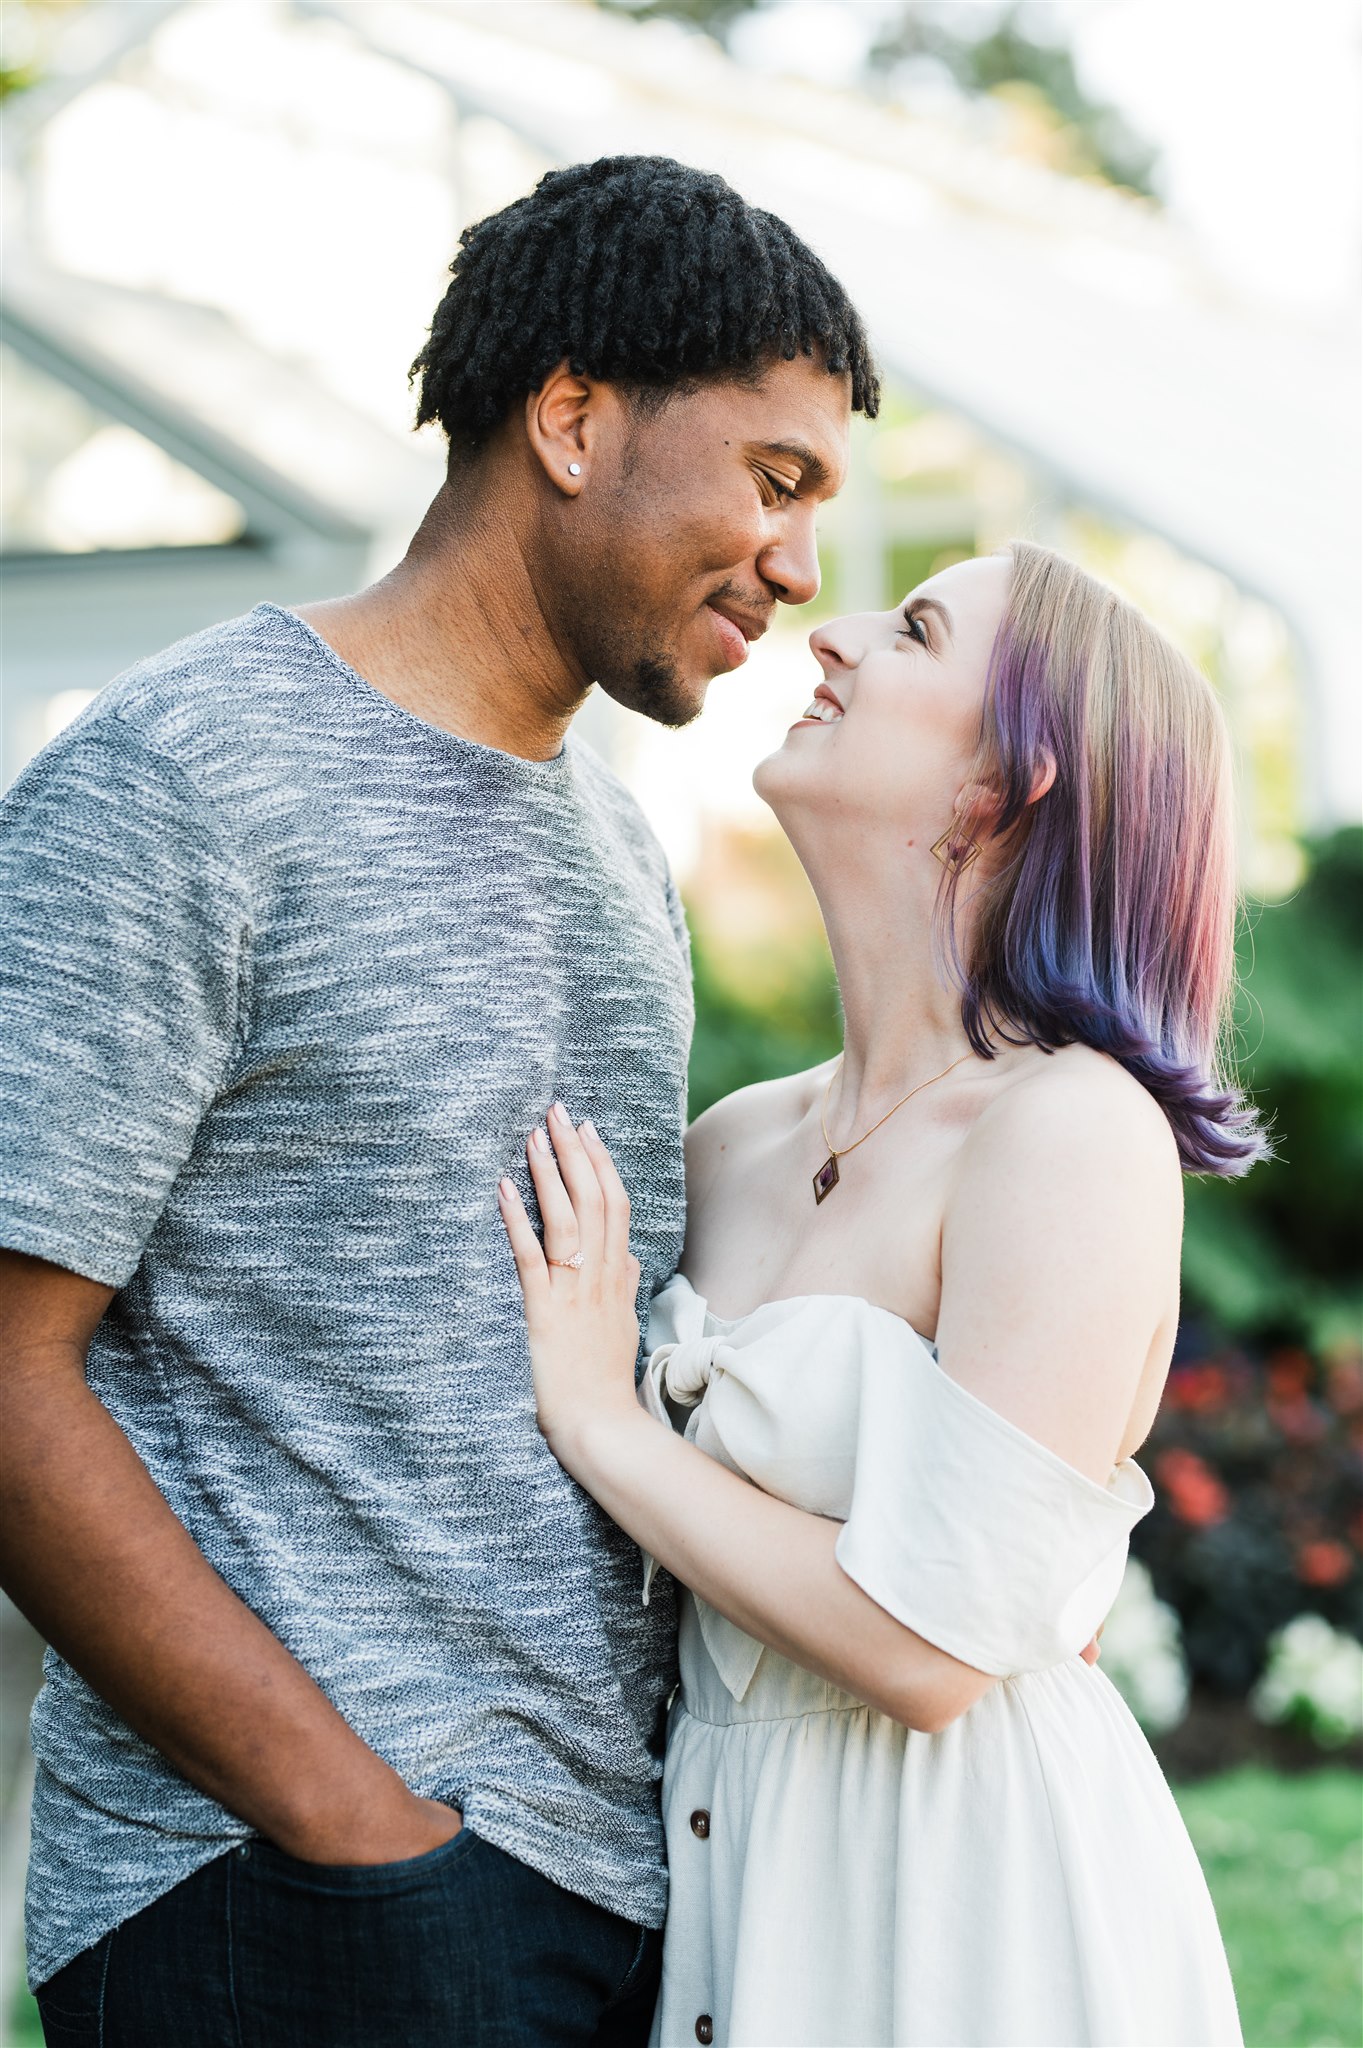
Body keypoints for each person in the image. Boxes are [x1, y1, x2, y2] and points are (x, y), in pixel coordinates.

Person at [0, 156, 877, 2046]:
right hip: (284, 1899)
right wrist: (351, 1824)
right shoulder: (182, 780)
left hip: (606, 1885)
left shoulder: (616, 850)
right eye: (776, 477)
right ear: (572, 421)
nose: (800, 564)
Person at [499, 541, 1264, 2048]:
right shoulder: (733, 1146)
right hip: (729, 1883)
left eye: (910, 631)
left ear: (1008, 785)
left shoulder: (1069, 1131)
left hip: (965, 1909)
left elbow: (932, 1652)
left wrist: (603, 1417)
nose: (831, 635)